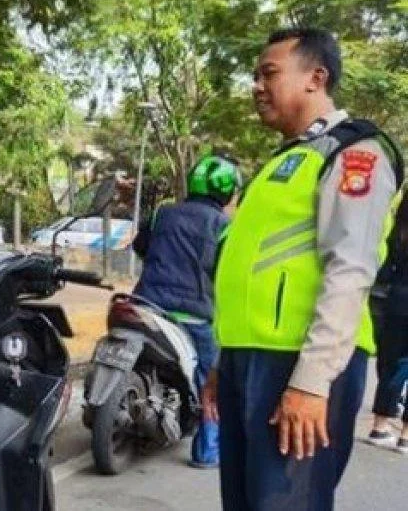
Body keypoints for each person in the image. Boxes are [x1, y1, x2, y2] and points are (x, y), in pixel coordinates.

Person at [204, 28, 404, 511]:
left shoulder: (354, 153)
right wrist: (221, 360)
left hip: (300, 366)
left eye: (268, 73)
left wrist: (311, 382)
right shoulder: (287, 160)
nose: (256, 85)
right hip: (247, 360)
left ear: (316, 77)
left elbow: (350, 270)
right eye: (255, 76)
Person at [132, 153, 242, 469]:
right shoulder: (225, 227)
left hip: (146, 305)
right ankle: (207, 451)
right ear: (227, 191)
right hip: (193, 317)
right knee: (213, 381)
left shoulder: (162, 214)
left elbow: (141, 248)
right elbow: (227, 273)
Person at [365, 199, 408, 454]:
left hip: (396, 302)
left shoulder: (398, 229)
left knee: (390, 363)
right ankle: (405, 435)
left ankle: (379, 425)